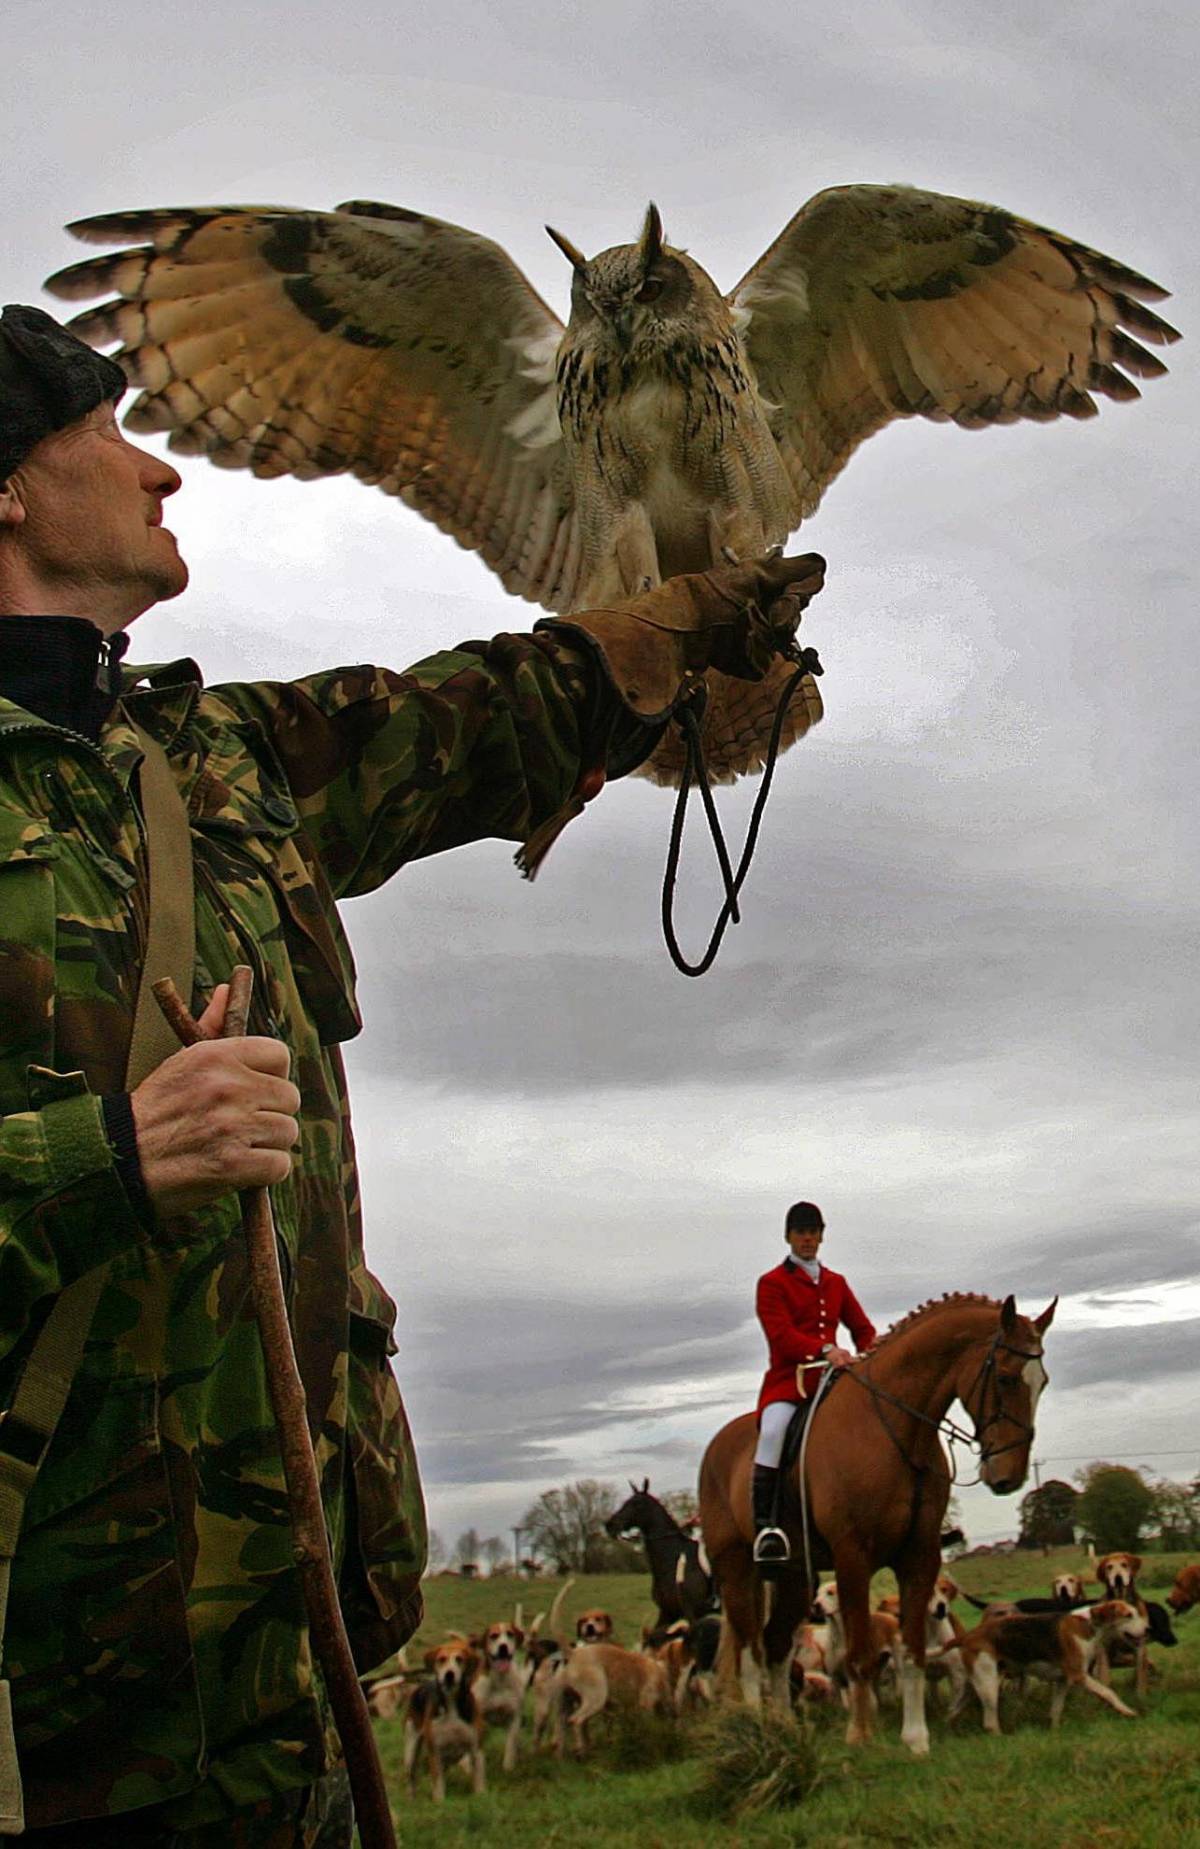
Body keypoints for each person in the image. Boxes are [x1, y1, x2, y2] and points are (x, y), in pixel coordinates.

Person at [0, 304, 825, 1846]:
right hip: (49, 1725)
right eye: (106, 435)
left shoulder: (212, 760)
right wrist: (105, 1154)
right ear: (11, 492)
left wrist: (691, 620)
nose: (159, 471)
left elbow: (478, 716)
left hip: (288, 1692)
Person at [752, 1200, 876, 1567]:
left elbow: (862, 1328)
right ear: (789, 1237)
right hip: (790, 1383)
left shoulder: (837, 1282)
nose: (807, 1239)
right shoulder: (772, 1283)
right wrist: (825, 1348)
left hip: (837, 1380)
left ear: (821, 1236)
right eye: (800, 1233)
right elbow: (781, 1335)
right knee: (773, 1432)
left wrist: (874, 1355)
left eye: (813, 1232)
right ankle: (766, 1528)